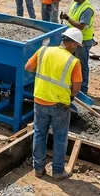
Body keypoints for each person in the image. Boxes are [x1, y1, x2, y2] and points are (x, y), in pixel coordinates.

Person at [24, 27, 83, 181]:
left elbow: (28, 67)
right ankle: (57, 171)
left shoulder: (43, 51)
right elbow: (76, 90)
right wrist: (68, 93)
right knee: (60, 137)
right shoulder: (73, 62)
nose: (76, 48)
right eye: (76, 45)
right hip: (60, 105)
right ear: (72, 44)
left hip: (39, 100)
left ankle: (38, 168)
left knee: (39, 133)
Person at [59, 0, 94, 94]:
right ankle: (72, 85)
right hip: (73, 39)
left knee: (82, 65)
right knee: (71, 62)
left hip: (82, 41)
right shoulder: (75, 4)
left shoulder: (87, 9)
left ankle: (83, 89)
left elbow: (81, 26)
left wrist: (68, 18)